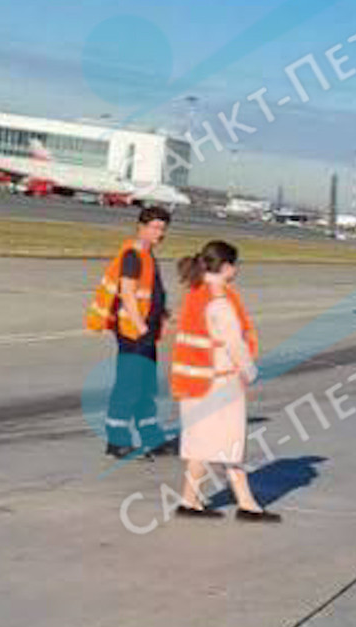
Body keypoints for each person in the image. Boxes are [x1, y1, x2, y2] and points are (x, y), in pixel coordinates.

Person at [170, 241, 280, 522]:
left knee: (201, 444)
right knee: (229, 445)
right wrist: (250, 371)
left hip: (193, 381)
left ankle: (193, 500)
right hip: (218, 383)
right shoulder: (220, 302)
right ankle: (245, 504)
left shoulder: (195, 292)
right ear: (227, 267)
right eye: (236, 264)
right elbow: (234, 343)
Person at [86, 206, 171, 457]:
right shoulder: (133, 255)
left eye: (163, 228)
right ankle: (116, 440)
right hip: (133, 332)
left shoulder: (147, 255)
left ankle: (151, 437)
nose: (160, 233)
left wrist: (162, 312)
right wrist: (143, 327)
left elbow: (148, 292)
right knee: (129, 385)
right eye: (155, 227)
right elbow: (128, 294)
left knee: (145, 386)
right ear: (141, 226)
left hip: (146, 331)